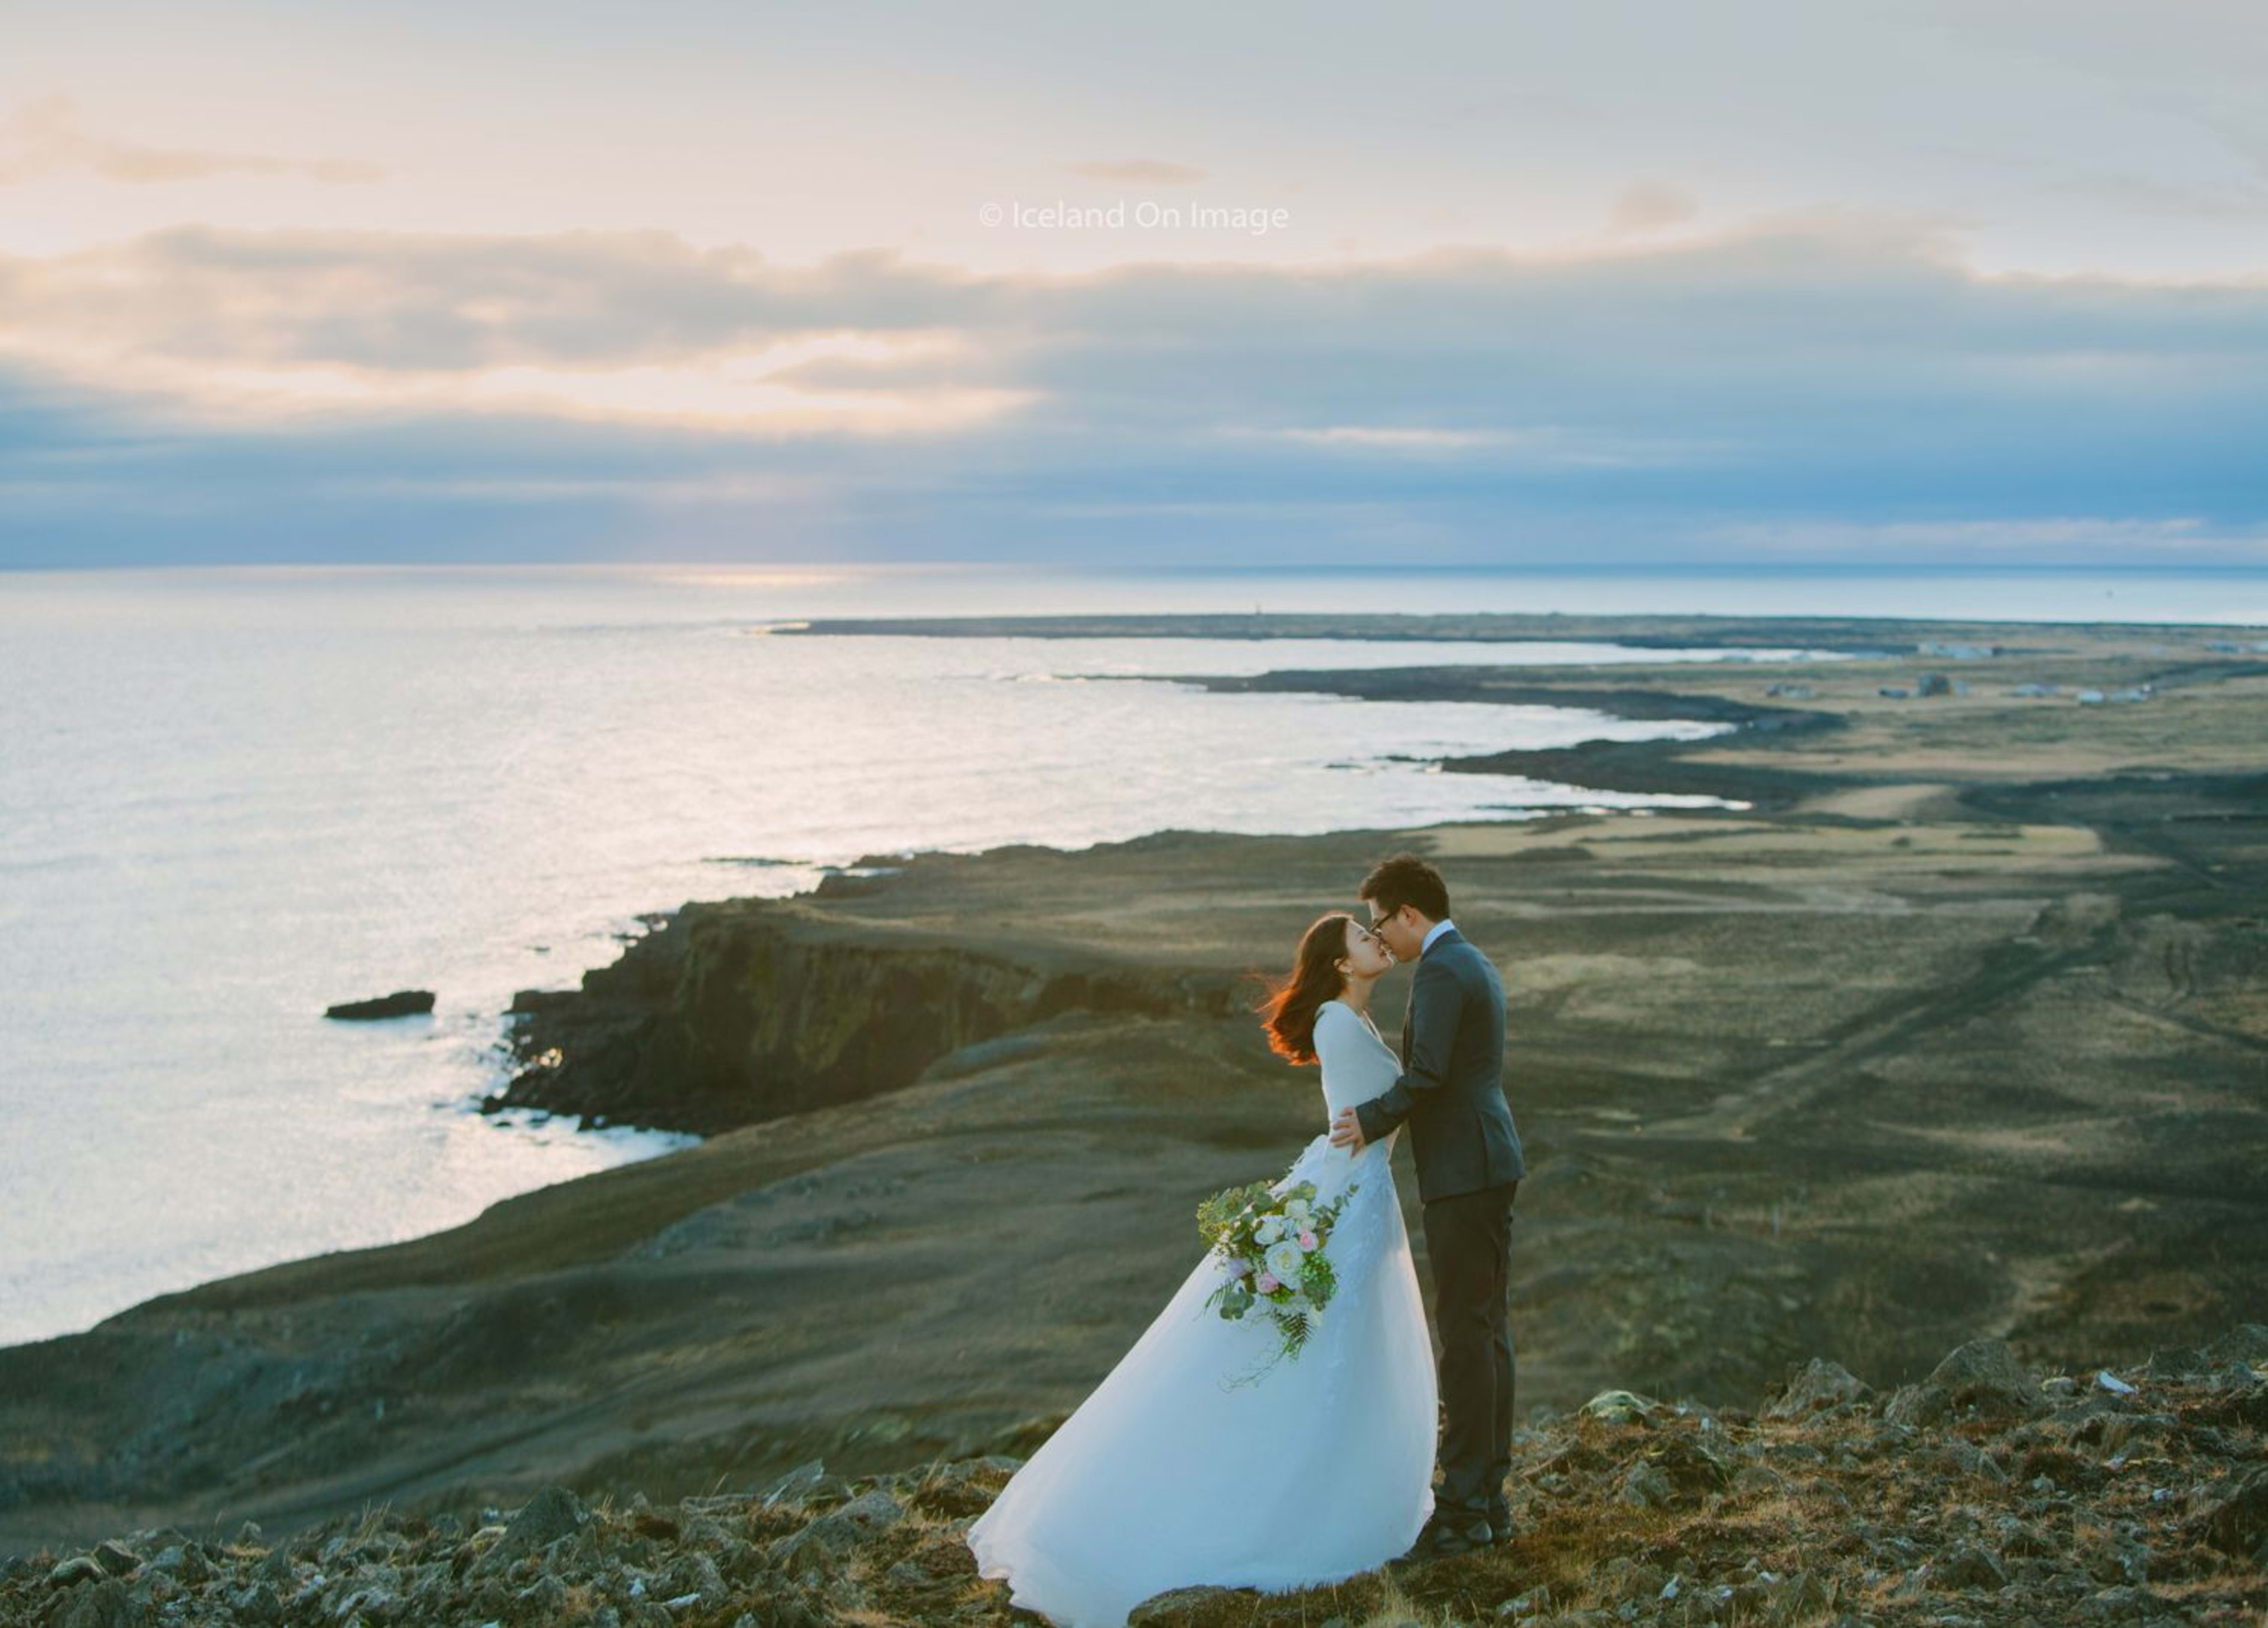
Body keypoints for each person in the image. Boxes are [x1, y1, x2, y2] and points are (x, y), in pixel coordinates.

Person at [965, 912, 1436, 1627]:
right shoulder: (1339, 1025)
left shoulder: (1355, 1019)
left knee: (1340, 1345)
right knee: (1318, 1347)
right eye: (1361, 938)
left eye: (1377, 933)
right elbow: (1377, 1109)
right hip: (1347, 1195)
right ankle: (1294, 1503)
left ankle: (1338, 1486)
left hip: (1356, 1191)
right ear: (1340, 964)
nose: (1375, 939)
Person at [1329, 851, 1524, 1558]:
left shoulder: (1442, 969)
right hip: (1486, 1163)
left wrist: (1369, 1119)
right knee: (1487, 1329)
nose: (1382, 939)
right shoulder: (1472, 959)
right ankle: (1489, 1501)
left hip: (1464, 1171)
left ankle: (1467, 1508)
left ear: (1411, 913)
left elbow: (1430, 1074)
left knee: (1467, 1336)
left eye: (1384, 924)